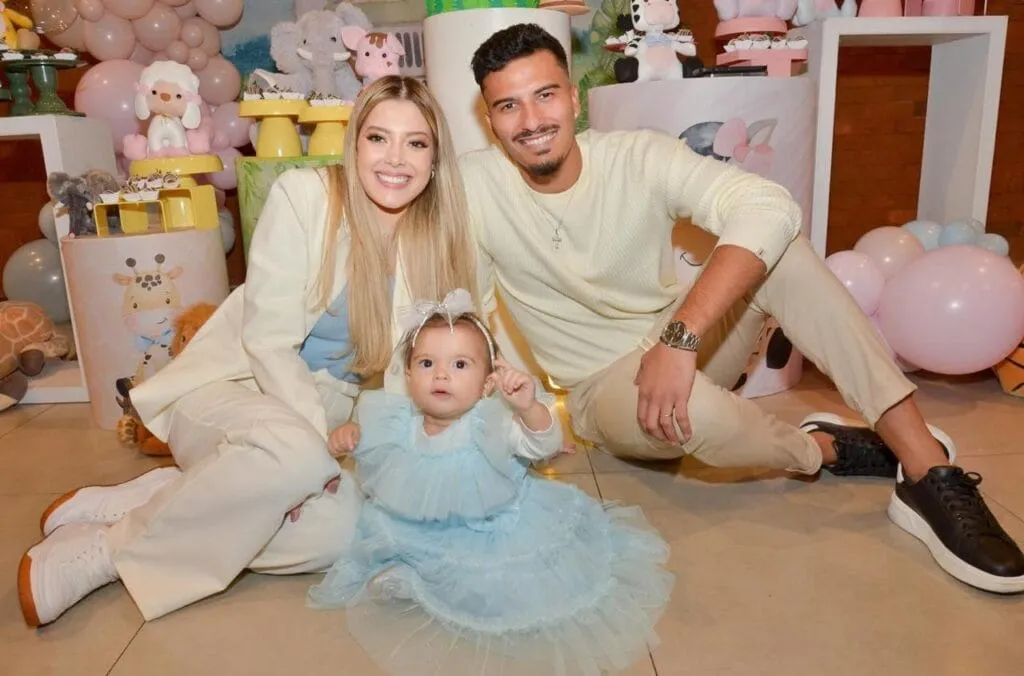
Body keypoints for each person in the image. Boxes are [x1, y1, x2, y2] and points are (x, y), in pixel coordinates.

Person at [460, 23, 1024, 594]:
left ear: (574, 97)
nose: (531, 121)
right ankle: (823, 448)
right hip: (601, 389)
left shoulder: (636, 157)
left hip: (681, 344)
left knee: (780, 251)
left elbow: (768, 205)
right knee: (698, 416)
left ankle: (927, 468)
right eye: (508, 105)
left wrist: (678, 339)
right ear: (490, 120)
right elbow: (468, 308)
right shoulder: (475, 187)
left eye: (545, 94)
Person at [17, 76, 479, 627]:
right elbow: (267, 340)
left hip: (322, 419)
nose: (396, 159)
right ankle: (111, 548)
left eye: (416, 142)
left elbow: (428, 372)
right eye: (379, 138)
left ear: (434, 158)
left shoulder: (438, 240)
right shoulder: (305, 197)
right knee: (295, 456)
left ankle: (182, 494)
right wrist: (317, 449)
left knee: (342, 532)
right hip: (233, 390)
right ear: (355, 142)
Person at [306, 290, 672, 676]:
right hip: (423, 526)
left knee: (491, 583)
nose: (442, 374)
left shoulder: (491, 424)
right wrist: (348, 438)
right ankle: (410, 573)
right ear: (410, 375)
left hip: (488, 531)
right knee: (384, 530)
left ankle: (430, 580)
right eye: (427, 363)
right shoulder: (397, 423)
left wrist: (529, 409)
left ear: (486, 384)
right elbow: (375, 457)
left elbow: (540, 443)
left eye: (460, 364)